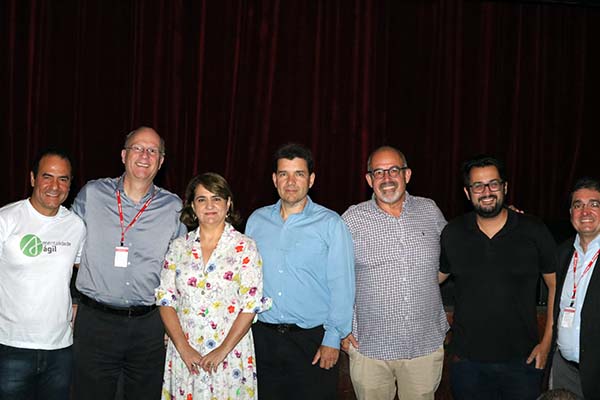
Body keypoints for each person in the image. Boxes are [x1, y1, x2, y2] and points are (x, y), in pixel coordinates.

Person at [72, 127, 187, 399]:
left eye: (152, 151)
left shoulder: (173, 207)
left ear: (161, 161)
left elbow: (180, 270)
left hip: (149, 327)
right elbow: (68, 250)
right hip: (95, 322)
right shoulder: (92, 194)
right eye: (137, 148)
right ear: (124, 155)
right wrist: (74, 298)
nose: (144, 155)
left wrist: (175, 325)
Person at [439, 155, 557, 400]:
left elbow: (555, 285)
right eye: (478, 186)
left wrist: (547, 342)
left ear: (505, 187)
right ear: (467, 192)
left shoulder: (533, 230)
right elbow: (433, 278)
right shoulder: (453, 233)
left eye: (493, 184)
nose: (486, 192)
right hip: (467, 363)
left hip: (523, 361)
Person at [245, 143, 355, 400]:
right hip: (263, 338)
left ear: (312, 179)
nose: (291, 181)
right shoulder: (256, 221)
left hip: (313, 342)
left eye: (299, 174)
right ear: (274, 179)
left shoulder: (331, 224)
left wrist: (332, 337)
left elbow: (342, 285)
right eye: (284, 174)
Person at [341, 146, 449, 399]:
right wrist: (339, 328)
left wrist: (502, 217)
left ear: (407, 174)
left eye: (393, 170)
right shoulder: (352, 219)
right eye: (378, 172)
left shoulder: (430, 211)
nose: (387, 178)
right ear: (369, 180)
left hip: (424, 346)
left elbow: (456, 253)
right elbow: (332, 277)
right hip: (370, 348)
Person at [155, 172, 270, 400]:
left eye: (216, 198)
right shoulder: (178, 247)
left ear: (228, 204)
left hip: (230, 355)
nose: (210, 205)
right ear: (192, 206)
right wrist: (183, 347)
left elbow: (250, 306)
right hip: (185, 353)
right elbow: (165, 300)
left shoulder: (245, 247)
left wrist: (221, 351)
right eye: (202, 199)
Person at [0, 148, 86, 399]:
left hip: (59, 349)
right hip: (10, 347)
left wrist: (78, 303)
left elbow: (83, 273)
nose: (55, 186)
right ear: (32, 178)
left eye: (63, 179)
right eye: (47, 176)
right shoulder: (7, 219)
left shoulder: (76, 226)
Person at [551, 177, 600, 400]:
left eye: (594, 204)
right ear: (571, 212)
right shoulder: (562, 254)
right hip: (564, 370)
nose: (585, 211)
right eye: (578, 205)